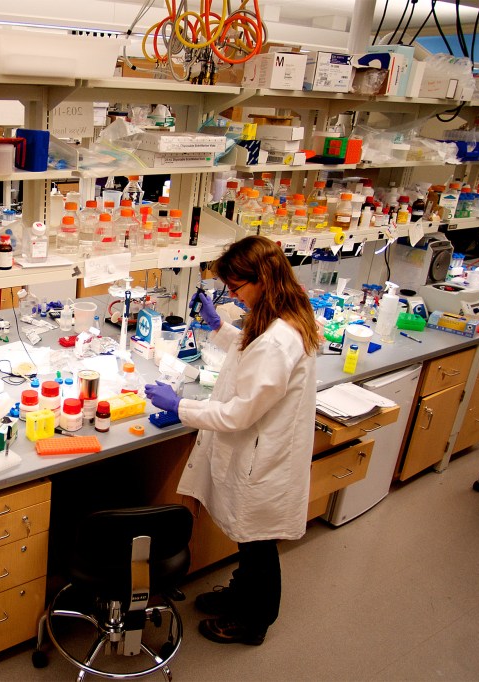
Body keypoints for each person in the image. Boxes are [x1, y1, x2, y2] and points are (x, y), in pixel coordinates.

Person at [144, 235, 320, 646]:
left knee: (258, 547)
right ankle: (242, 595)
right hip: (263, 449)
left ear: (262, 279)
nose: (234, 296)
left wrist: (181, 406)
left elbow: (239, 412)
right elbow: (250, 353)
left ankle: (253, 621)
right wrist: (219, 327)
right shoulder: (281, 314)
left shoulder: (279, 338)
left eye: (238, 288)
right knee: (250, 542)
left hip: (264, 458)